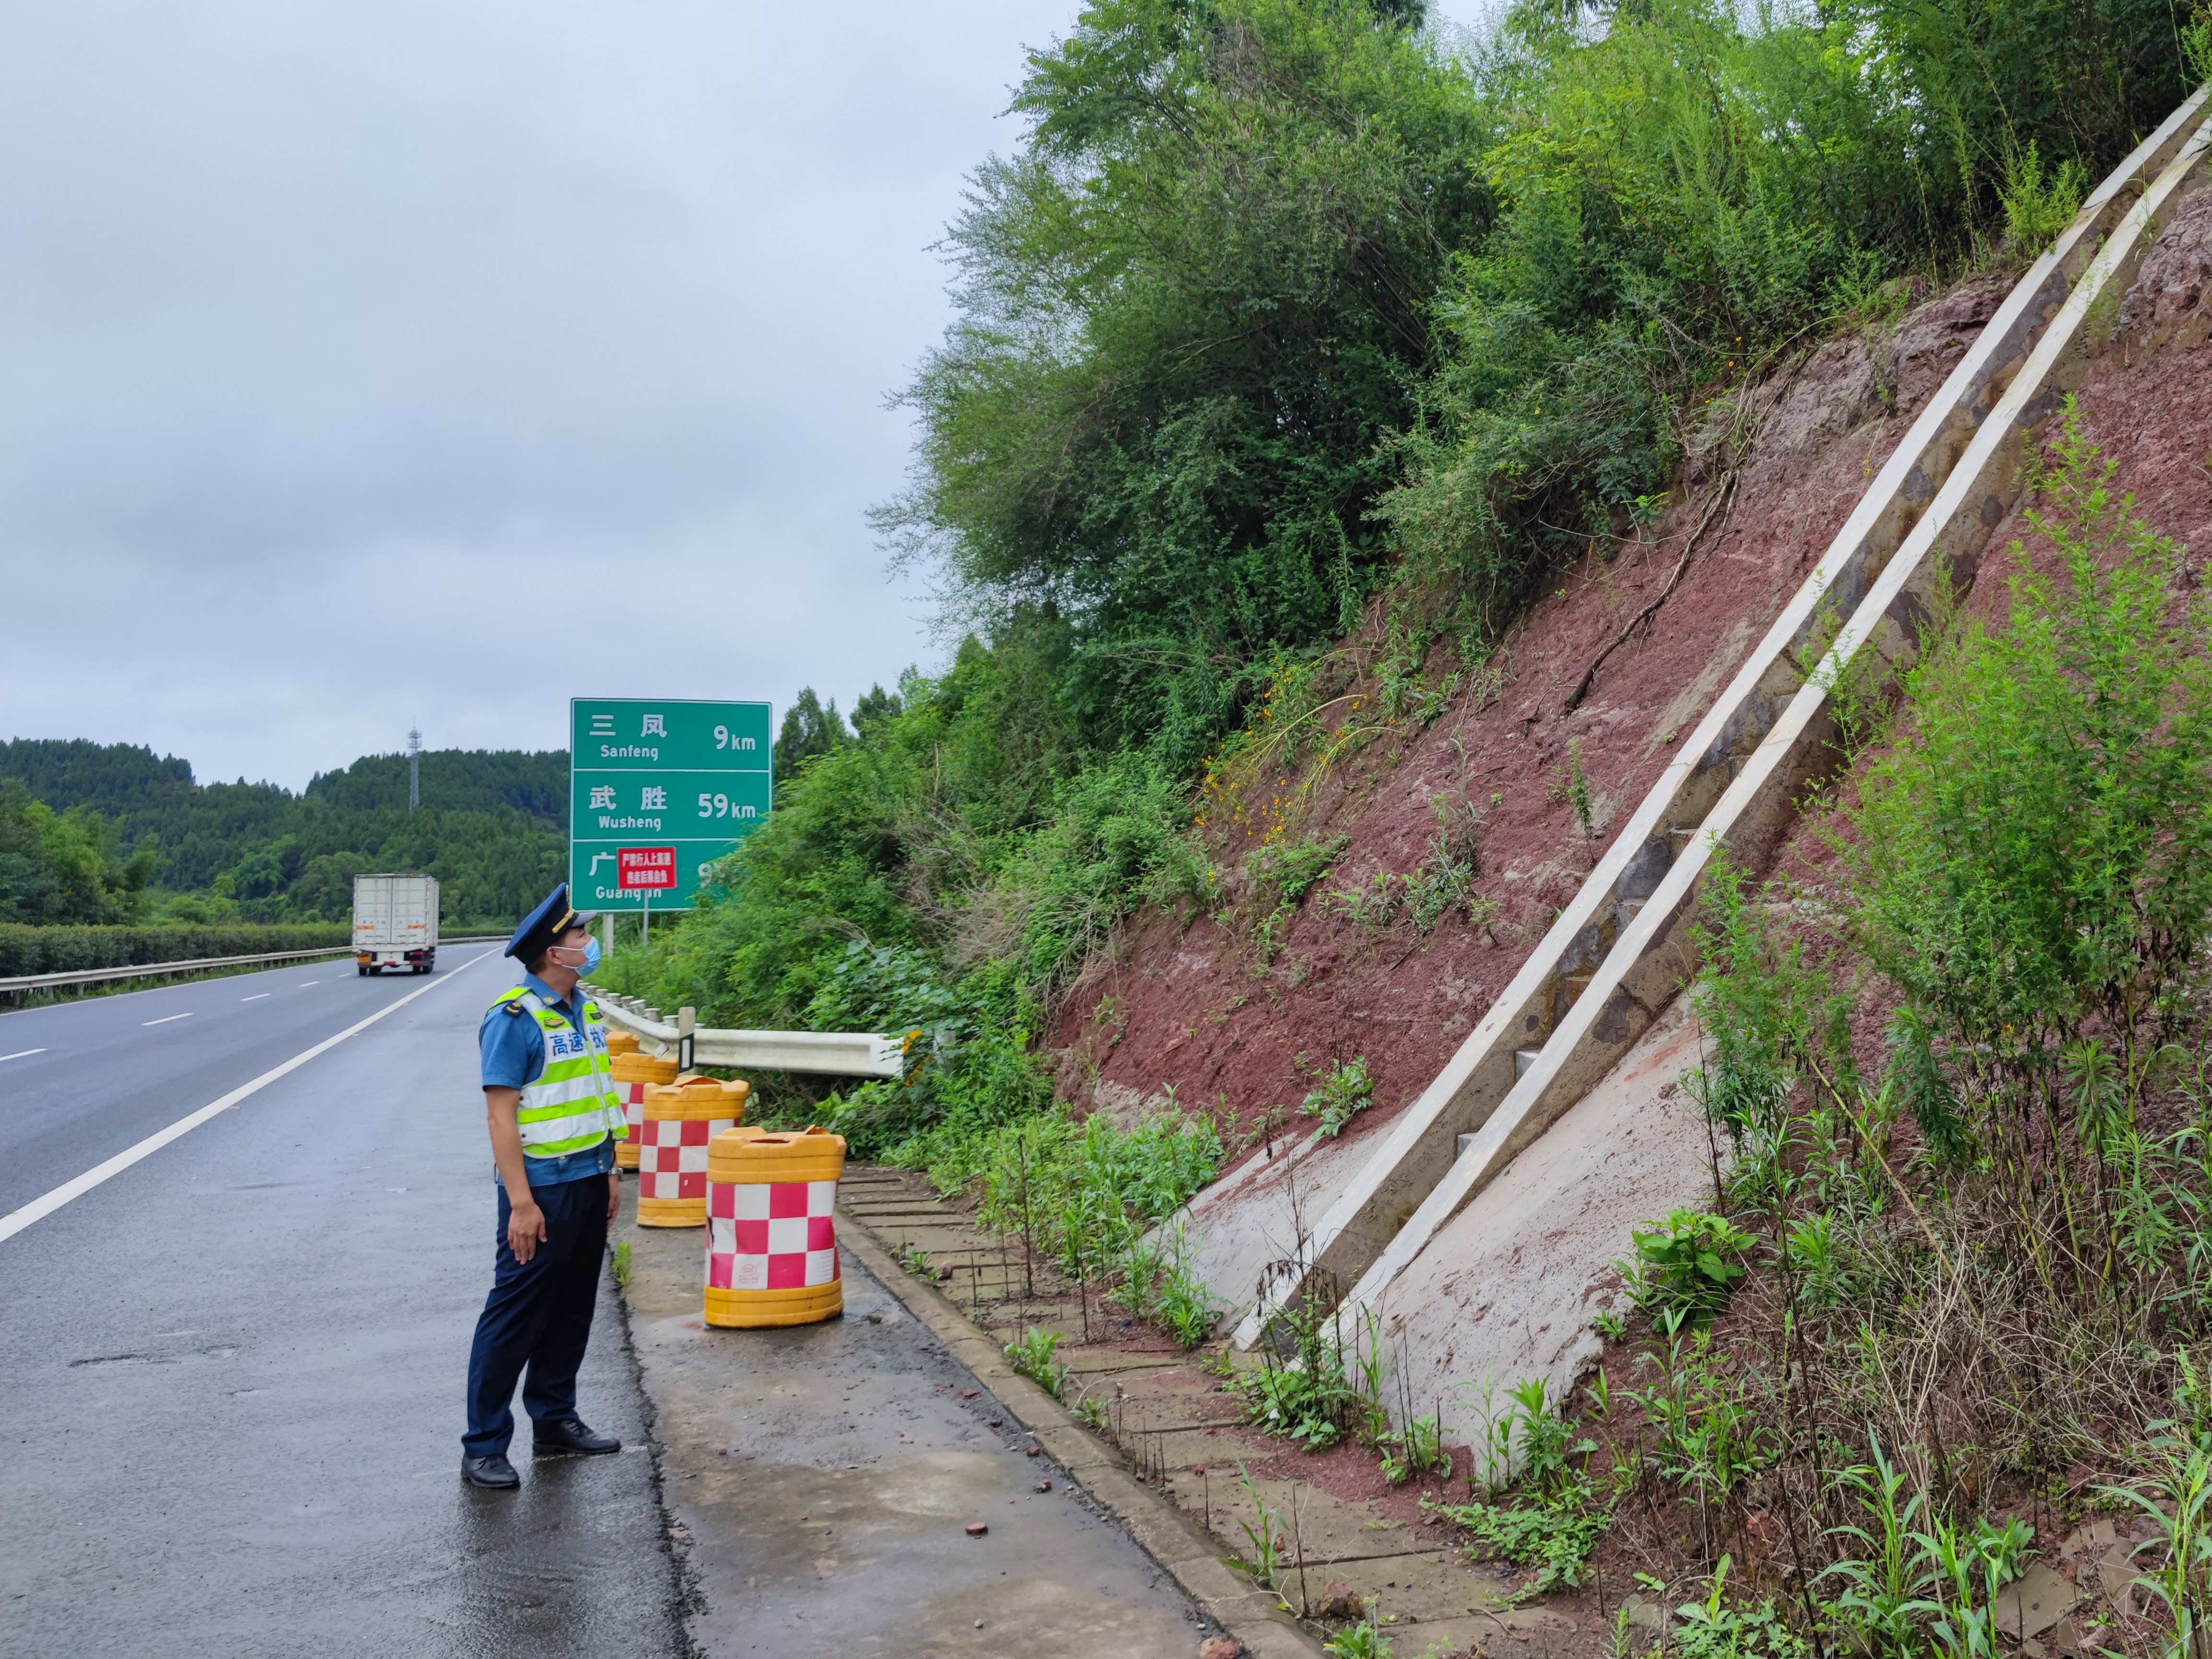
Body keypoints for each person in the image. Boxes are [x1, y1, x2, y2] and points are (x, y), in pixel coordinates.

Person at [460, 882, 629, 1490]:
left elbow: (596, 1100)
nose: (588, 942)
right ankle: (483, 1443)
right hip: (541, 1190)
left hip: (588, 1179)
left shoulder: (583, 1009)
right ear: (554, 954)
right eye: (580, 936)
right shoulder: (513, 1020)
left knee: (572, 1308)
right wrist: (522, 1204)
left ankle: (555, 1418)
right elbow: (500, 1118)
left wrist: (609, 1172)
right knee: (515, 1313)